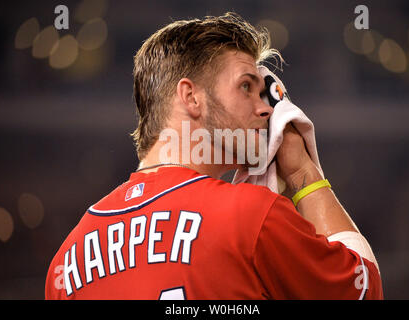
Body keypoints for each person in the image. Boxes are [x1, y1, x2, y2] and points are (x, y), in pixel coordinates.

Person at [45, 12, 383, 300]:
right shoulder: (250, 215)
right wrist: (304, 175)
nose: (266, 108)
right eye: (247, 86)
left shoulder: (63, 264)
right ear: (191, 97)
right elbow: (363, 287)